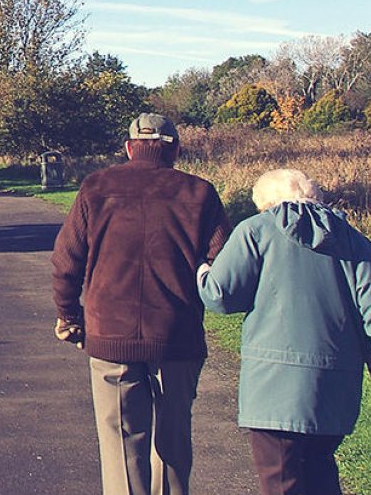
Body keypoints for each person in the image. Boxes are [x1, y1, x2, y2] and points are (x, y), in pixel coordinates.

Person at [52, 113, 232, 495]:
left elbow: (66, 261)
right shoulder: (200, 193)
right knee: (173, 443)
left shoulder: (96, 187)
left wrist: (69, 316)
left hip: (110, 334)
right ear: (176, 150)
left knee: (120, 443)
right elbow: (223, 266)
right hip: (177, 336)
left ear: (129, 147)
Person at [197, 168, 371, 495]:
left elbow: (220, 295)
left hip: (272, 389)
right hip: (334, 387)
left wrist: (204, 271)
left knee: (282, 480)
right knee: (320, 472)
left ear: (265, 203)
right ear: (315, 196)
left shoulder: (255, 231)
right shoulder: (352, 238)